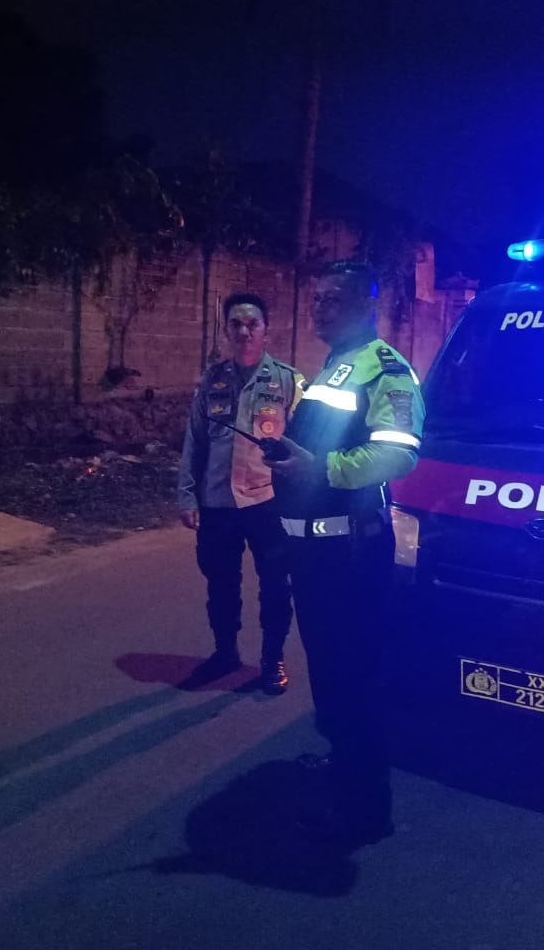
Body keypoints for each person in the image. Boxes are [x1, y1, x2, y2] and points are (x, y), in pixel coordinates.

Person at [265, 260, 425, 847]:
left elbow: (399, 452)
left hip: (351, 554)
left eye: (334, 298)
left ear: (367, 306)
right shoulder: (336, 364)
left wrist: (322, 468)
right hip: (318, 553)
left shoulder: (386, 369)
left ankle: (365, 812)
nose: (320, 307)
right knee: (330, 671)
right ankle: (344, 765)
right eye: (317, 298)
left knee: (353, 675)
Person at [178, 293, 302, 694]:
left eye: (252, 324)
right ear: (226, 331)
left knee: (275, 586)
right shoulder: (211, 381)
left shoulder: (288, 381)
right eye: (236, 324)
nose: (244, 331)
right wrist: (187, 495)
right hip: (218, 503)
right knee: (220, 585)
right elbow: (195, 441)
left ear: (266, 330)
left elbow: (304, 443)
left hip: (268, 503)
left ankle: (272, 659)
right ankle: (225, 653)